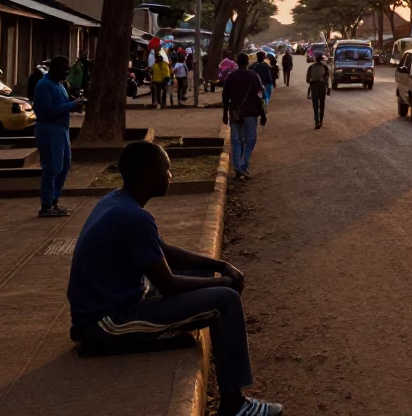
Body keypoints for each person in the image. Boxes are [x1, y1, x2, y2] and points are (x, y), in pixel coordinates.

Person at [66, 141, 282, 416]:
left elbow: (164, 252)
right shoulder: (133, 217)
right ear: (147, 174)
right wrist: (223, 283)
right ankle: (234, 405)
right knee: (225, 300)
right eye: (166, 170)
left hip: (113, 307)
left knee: (204, 275)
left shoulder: (118, 201)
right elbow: (168, 284)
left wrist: (220, 265)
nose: (171, 176)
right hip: (106, 324)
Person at [32, 56, 84, 217]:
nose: (67, 73)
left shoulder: (59, 84)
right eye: (64, 70)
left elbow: (63, 103)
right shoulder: (44, 85)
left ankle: (54, 201)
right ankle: (46, 204)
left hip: (62, 129)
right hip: (49, 129)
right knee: (52, 167)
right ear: (55, 69)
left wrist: (76, 104)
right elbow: (45, 110)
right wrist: (70, 106)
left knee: (64, 165)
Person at [222, 54, 265, 179]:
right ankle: (243, 165)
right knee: (250, 139)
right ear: (247, 63)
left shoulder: (231, 76)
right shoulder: (253, 75)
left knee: (236, 141)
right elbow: (260, 95)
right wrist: (262, 113)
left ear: (237, 62)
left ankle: (238, 168)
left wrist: (225, 113)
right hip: (251, 113)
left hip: (235, 112)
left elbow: (225, 97)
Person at [306, 52, 330, 130]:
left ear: (315, 60)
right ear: (322, 60)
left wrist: (312, 83)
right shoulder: (325, 68)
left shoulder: (311, 67)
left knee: (315, 105)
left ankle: (317, 122)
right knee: (322, 104)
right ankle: (321, 121)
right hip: (322, 87)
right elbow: (327, 80)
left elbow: (307, 79)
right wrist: (328, 89)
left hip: (314, 87)